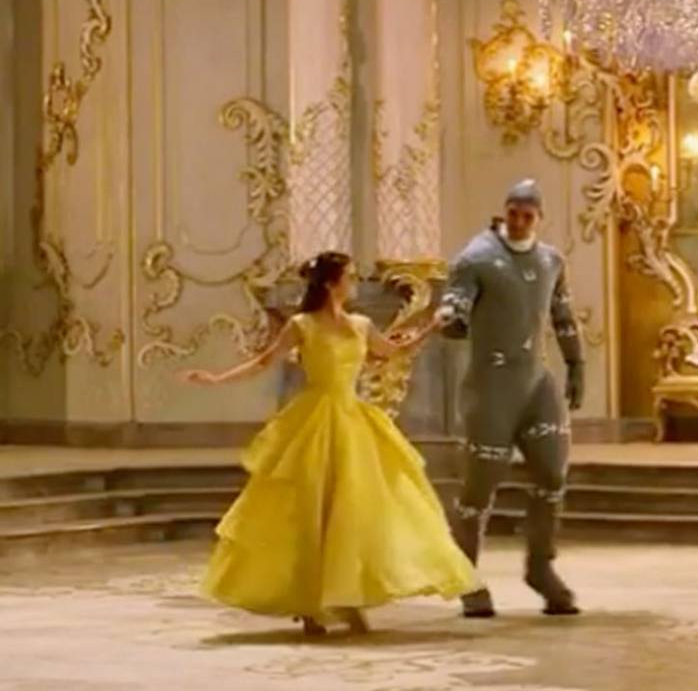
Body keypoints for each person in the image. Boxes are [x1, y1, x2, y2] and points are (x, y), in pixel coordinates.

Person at [181, 250, 479, 635]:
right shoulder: (302, 325)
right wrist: (216, 379)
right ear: (329, 283)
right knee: (311, 509)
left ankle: (349, 597)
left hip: (354, 420)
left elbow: (391, 352)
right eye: (349, 276)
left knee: (354, 509)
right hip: (315, 421)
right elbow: (264, 361)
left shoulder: (361, 324)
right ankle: (309, 603)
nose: (354, 282)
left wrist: (429, 328)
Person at [436, 178, 585, 618]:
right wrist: (453, 317)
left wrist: (576, 361)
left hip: (536, 383)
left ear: (540, 218)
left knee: (552, 473)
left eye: (528, 215)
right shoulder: (476, 258)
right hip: (492, 387)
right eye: (513, 213)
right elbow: (457, 300)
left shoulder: (551, 260)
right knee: (479, 486)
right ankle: (466, 577)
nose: (519, 222)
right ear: (504, 211)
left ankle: (541, 567)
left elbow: (562, 312)